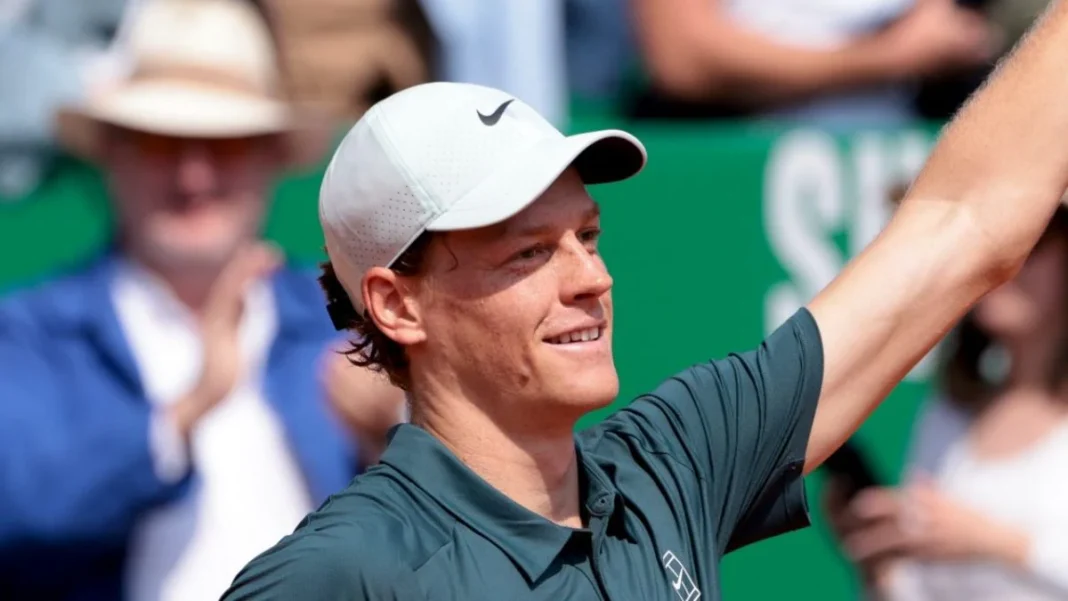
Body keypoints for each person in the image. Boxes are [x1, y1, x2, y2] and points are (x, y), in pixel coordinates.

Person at [224, 1, 1068, 598]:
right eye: (528, 252)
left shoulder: (673, 461)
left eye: (587, 238)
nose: (590, 278)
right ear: (397, 305)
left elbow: (966, 221)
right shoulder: (340, 573)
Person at [0, 1, 403, 600]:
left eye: (225, 145)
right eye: (161, 143)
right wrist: (185, 414)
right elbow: (18, 510)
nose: (194, 176)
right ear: (112, 152)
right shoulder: (28, 335)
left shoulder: (345, 324)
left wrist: (399, 434)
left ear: (271, 156)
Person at [824, 204, 1068, 600]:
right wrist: (880, 565)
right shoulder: (946, 413)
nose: (1004, 259)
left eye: (1033, 241)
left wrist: (993, 542)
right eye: (992, 241)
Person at [628, 0, 995, 125]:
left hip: (905, 171)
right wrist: (889, 56)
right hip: (735, 178)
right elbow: (684, 62)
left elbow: (963, 29)